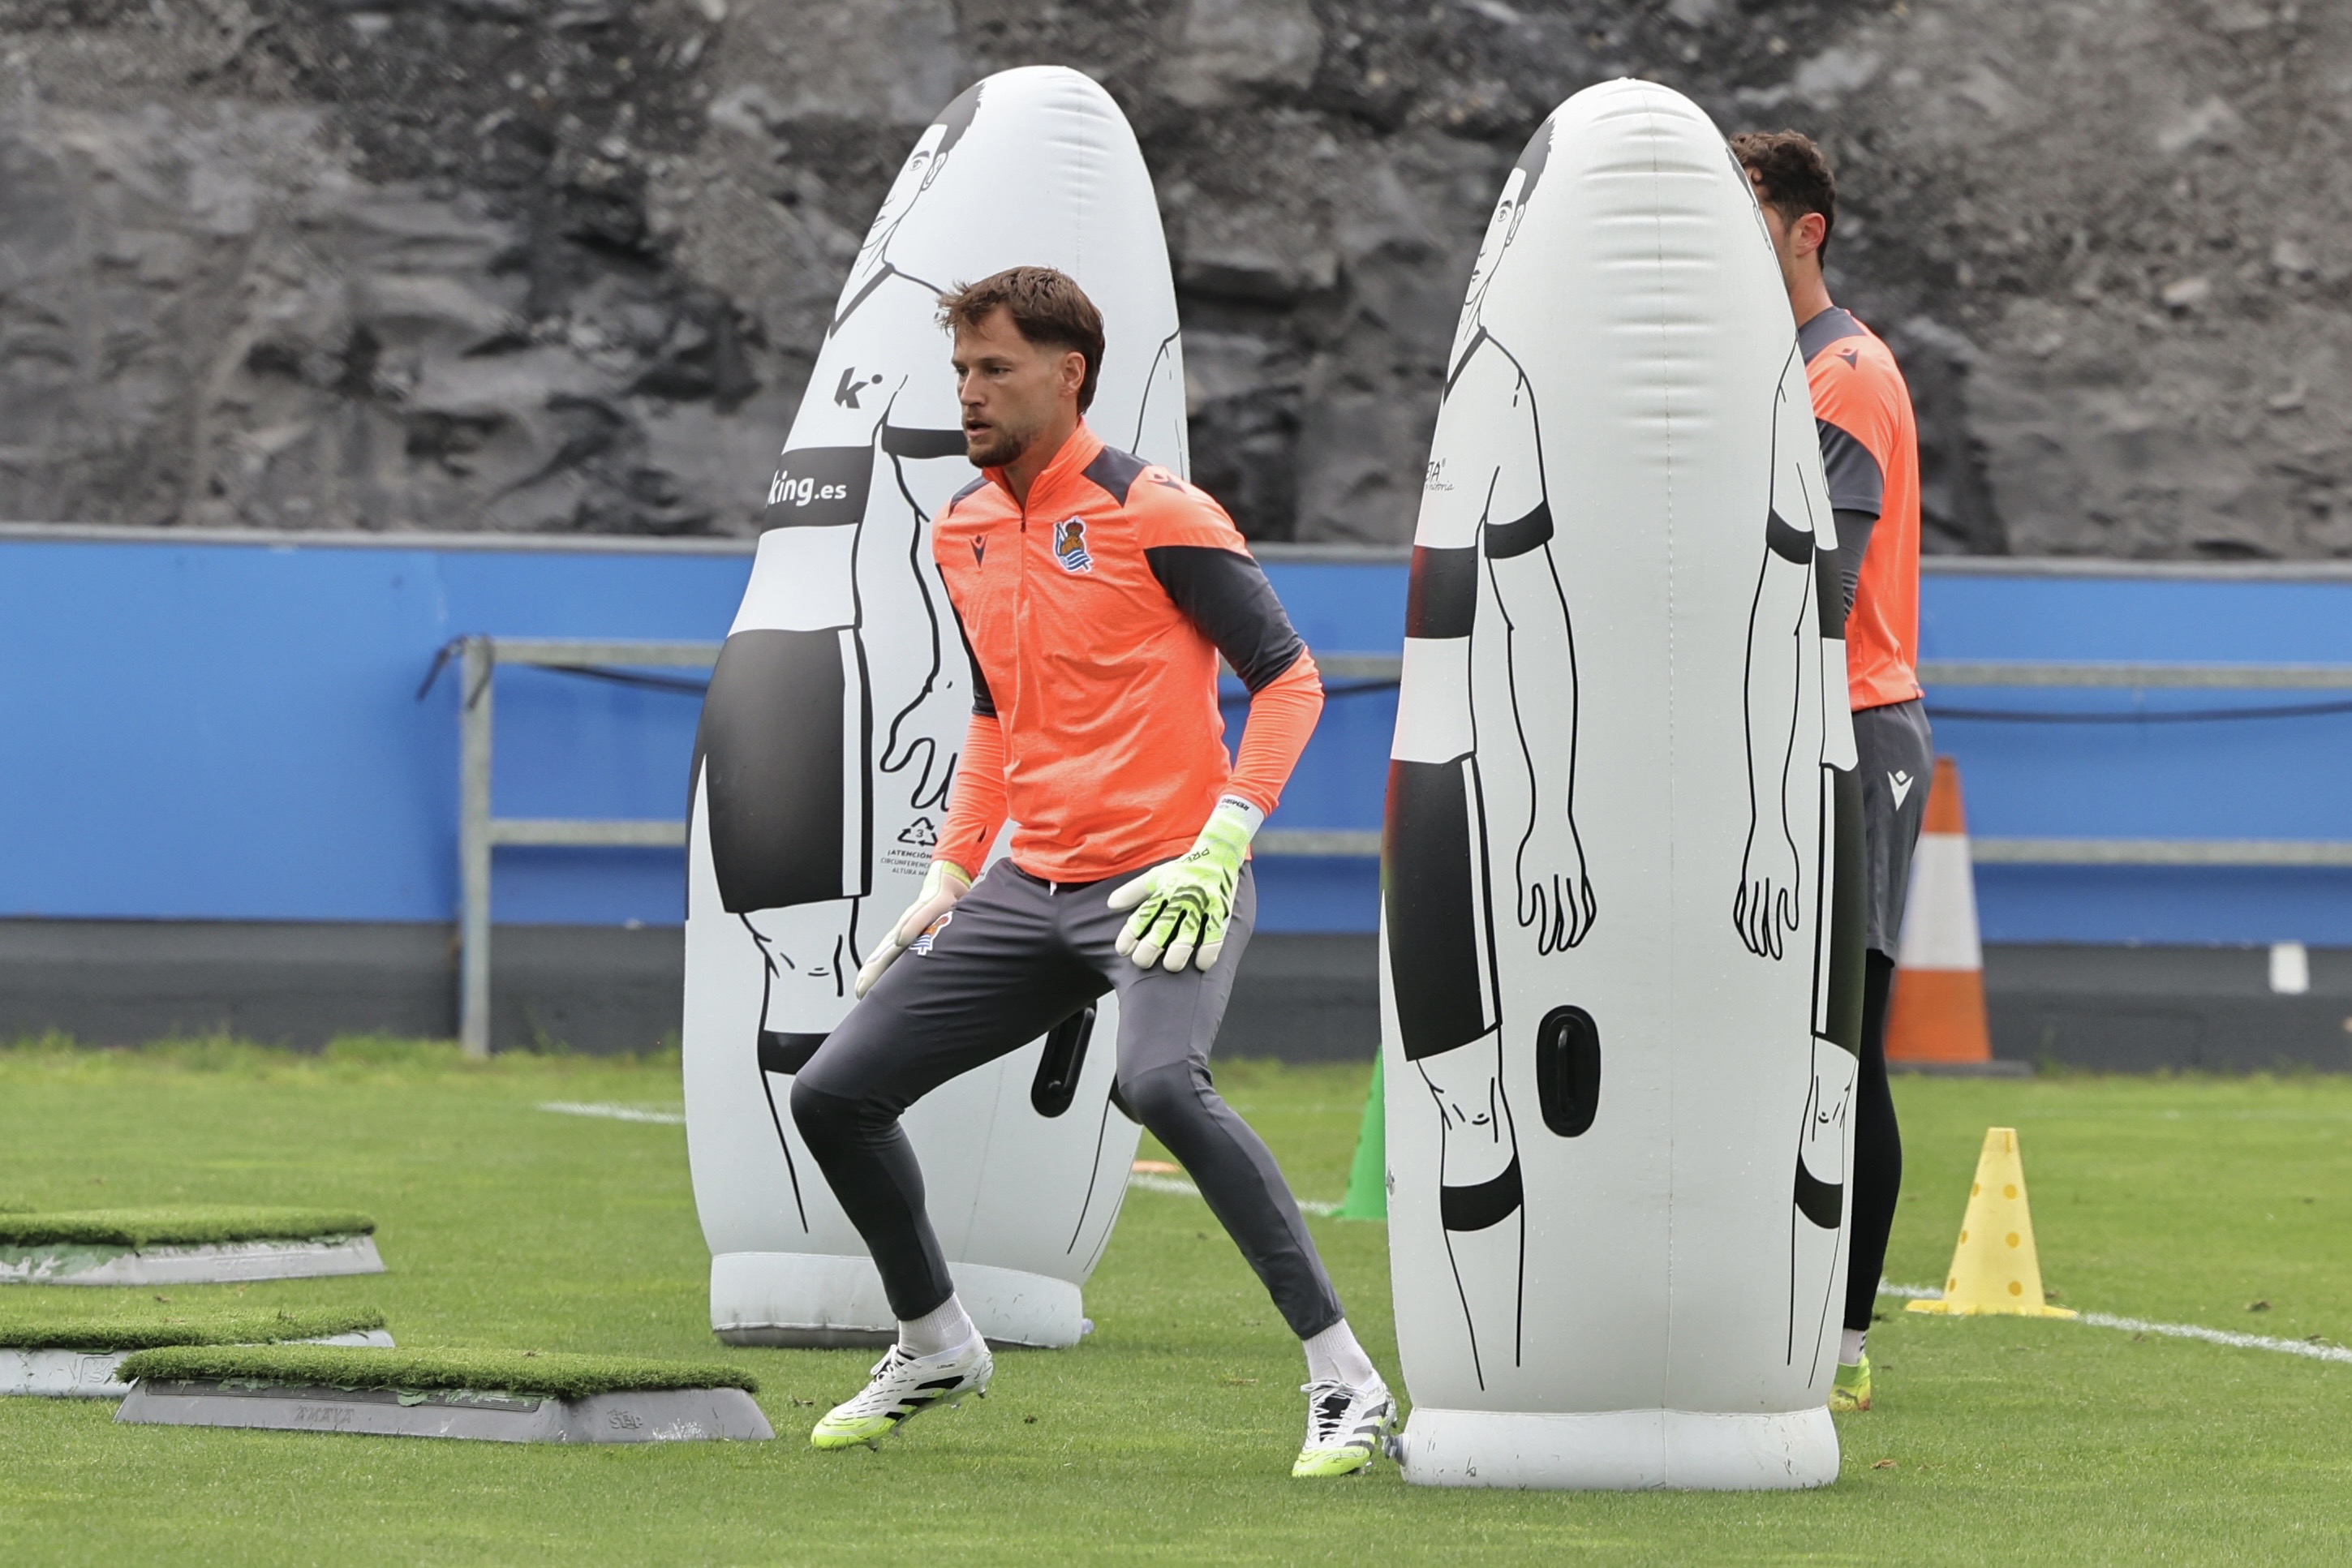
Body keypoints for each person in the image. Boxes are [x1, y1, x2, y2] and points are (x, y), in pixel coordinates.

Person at [791, 265, 1399, 1476]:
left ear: (1068, 375)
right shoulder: (960, 524)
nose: (968, 391)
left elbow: (1290, 677)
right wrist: (953, 871)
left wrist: (1225, 839)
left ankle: (1348, 1378)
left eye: (994, 368)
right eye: (962, 367)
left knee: (1162, 1086)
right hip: (1027, 888)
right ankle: (936, 1340)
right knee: (831, 1092)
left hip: (1166, 882)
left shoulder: (1159, 510)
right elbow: (993, 714)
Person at [1733, 130, 1933, 1415]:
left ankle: (1846, 1338)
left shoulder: (1843, 373)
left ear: (1807, 229)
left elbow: (1827, 589)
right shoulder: (1778, 369)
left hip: (1855, 729)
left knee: (1842, 1043)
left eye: (1741, 215)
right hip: (1803, 727)